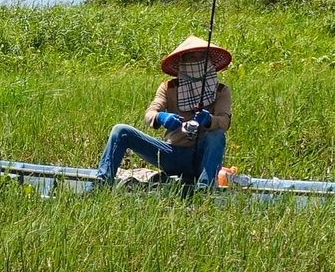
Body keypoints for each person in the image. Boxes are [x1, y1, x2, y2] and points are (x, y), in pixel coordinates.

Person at [95, 35, 232, 190]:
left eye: (202, 57)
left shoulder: (221, 90)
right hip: (172, 153)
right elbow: (150, 113)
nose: (197, 61)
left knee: (216, 134)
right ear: (183, 62)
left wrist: (208, 120)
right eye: (192, 57)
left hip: (202, 155)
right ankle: (102, 183)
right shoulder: (168, 87)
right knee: (121, 130)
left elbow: (224, 121)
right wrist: (160, 117)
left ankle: (205, 188)